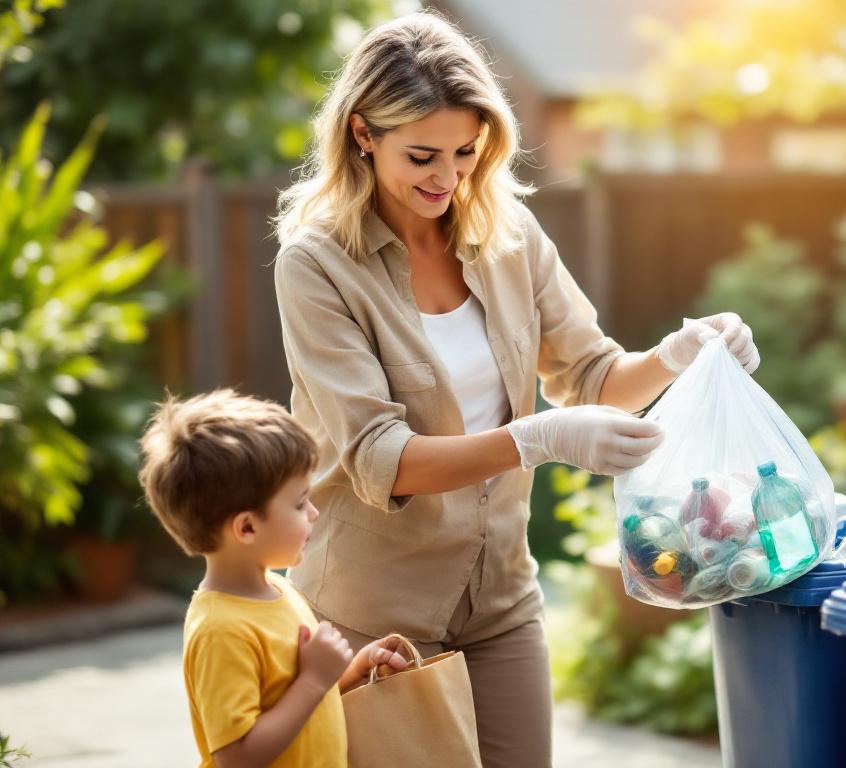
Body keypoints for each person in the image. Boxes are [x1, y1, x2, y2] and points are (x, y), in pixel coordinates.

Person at [270, 11, 760, 767]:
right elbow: (379, 459)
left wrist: (678, 354)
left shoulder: (510, 235)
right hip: (373, 613)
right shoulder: (317, 266)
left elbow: (593, 376)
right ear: (363, 133)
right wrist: (537, 440)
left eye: (465, 151)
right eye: (422, 155)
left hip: (500, 598)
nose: (447, 176)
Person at [137, 390, 410, 768]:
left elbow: (291, 703)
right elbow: (237, 755)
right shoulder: (221, 630)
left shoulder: (280, 590)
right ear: (247, 527)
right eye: (299, 504)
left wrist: (348, 673)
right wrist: (315, 679)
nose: (313, 513)